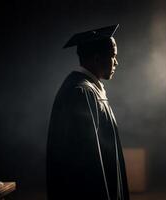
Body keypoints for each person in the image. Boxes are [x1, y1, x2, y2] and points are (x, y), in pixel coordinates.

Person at [46, 24, 129, 200]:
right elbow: (86, 160)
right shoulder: (80, 92)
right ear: (97, 58)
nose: (116, 62)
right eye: (113, 56)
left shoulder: (89, 89)